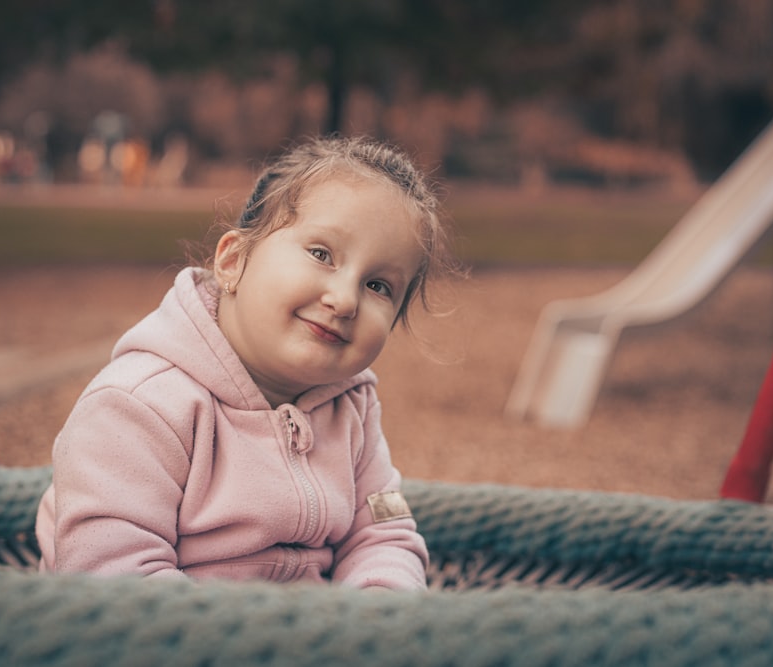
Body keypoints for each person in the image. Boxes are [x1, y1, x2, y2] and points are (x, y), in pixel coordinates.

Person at [35, 135, 459, 591]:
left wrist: (377, 616)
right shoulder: (140, 405)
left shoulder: (353, 408)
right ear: (233, 261)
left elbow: (384, 530)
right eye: (321, 254)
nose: (344, 300)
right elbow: (112, 576)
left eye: (379, 286)